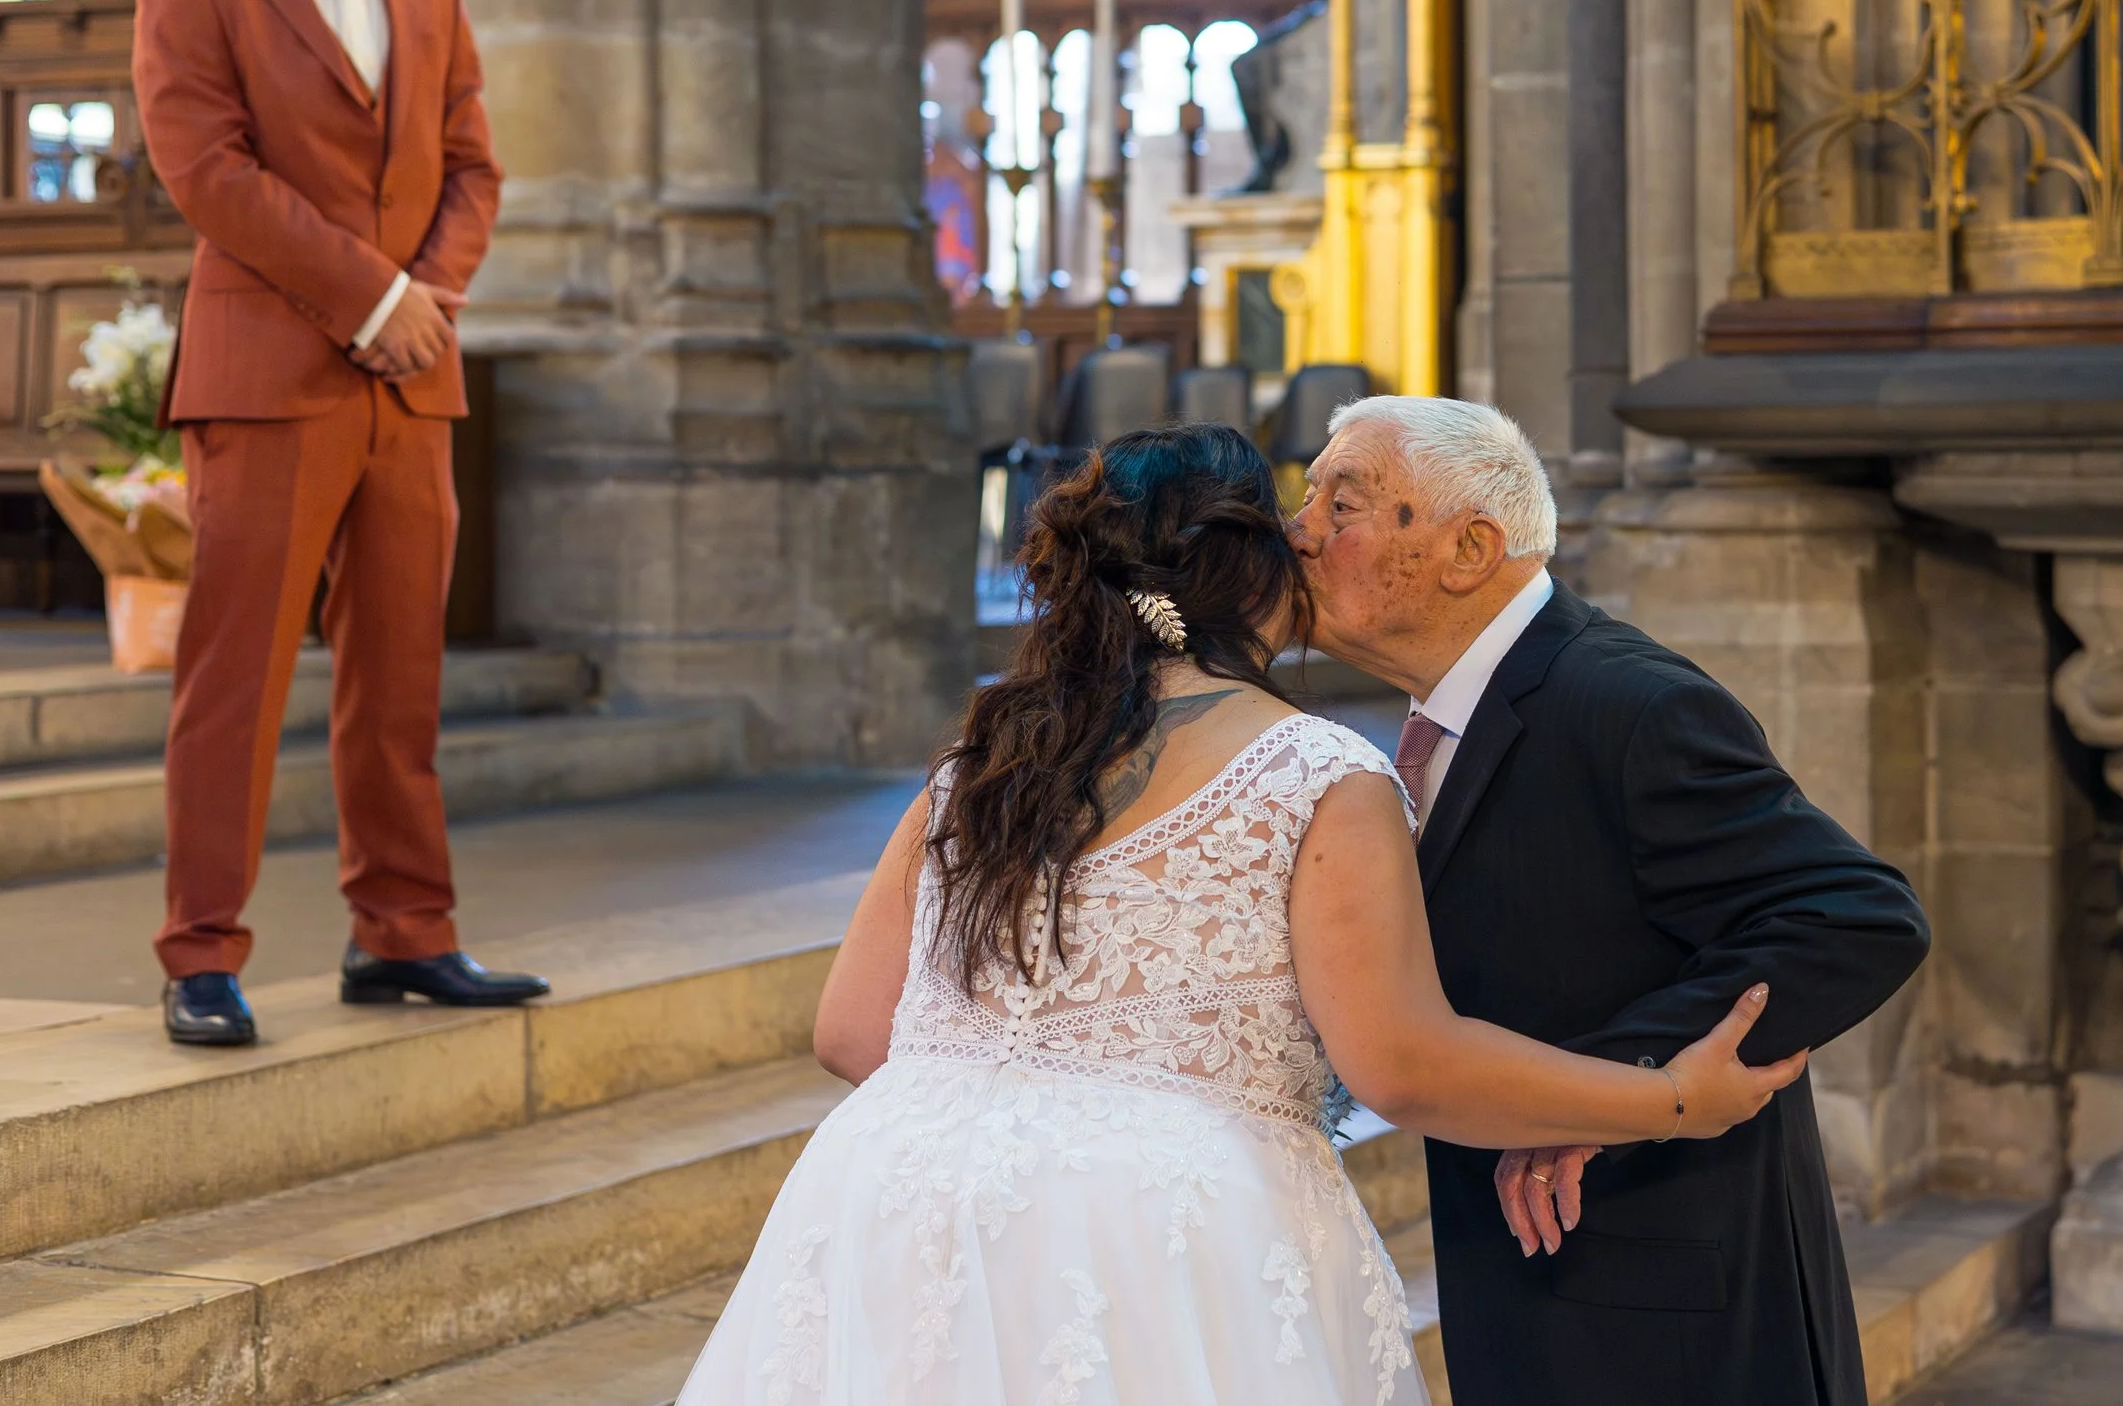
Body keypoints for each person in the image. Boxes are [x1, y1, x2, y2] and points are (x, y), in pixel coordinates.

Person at [677, 424, 1804, 1402]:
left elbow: (848, 1032)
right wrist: (1667, 1099)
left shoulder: (984, 752)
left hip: (888, 1195)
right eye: (1287, 518)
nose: (1310, 538)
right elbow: (1402, 1064)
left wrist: (1009, 1109)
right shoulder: (1314, 770)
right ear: (1243, 568)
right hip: (1159, 1232)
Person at [1291, 396, 1933, 1406]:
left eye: (1346, 502)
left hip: (1660, 1279)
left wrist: (1600, 1096)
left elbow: (1855, 917)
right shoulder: (1453, 709)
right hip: (1534, 1260)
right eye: (1310, 496)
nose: (1303, 531)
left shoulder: (1626, 703)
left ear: (1468, 548)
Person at [132, 0, 546, 1046]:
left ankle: (405, 932)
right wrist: (373, 297)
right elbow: (209, 174)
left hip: (408, 385)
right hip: (267, 378)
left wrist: (428, 303)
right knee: (234, 676)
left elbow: (475, 165)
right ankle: (201, 950)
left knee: (401, 678)